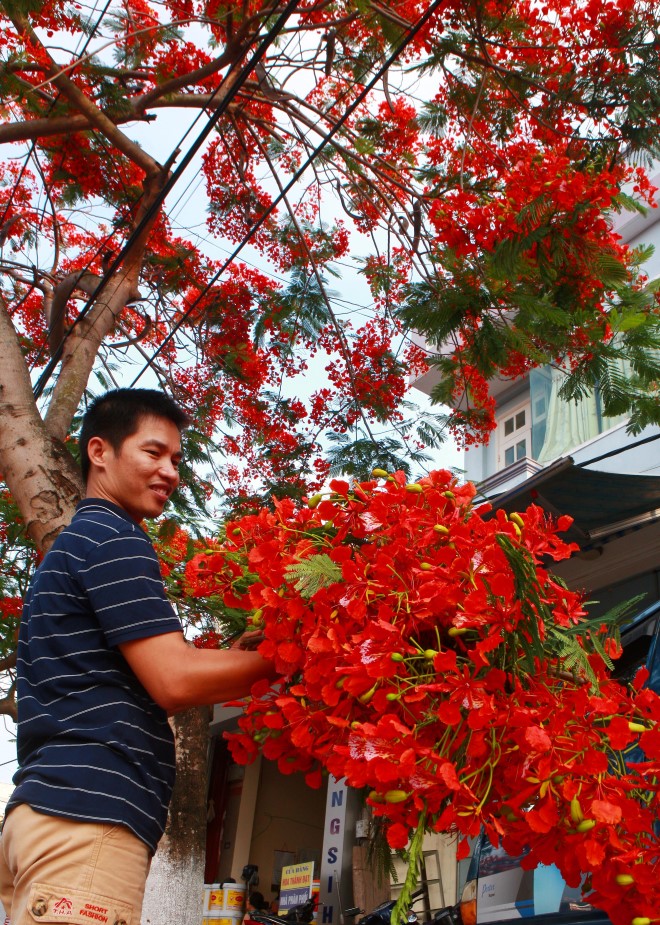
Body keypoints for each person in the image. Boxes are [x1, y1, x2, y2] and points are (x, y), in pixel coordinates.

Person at [0, 389, 276, 925]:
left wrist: (235, 657)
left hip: (44, 818)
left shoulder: (76, 542)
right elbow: (174, 680)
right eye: (153, 453)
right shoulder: (113, 536)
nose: (170, 471)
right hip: (87, 820)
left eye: (176, 459)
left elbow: (138, 680)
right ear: (99, 452)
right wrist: (307, 655)